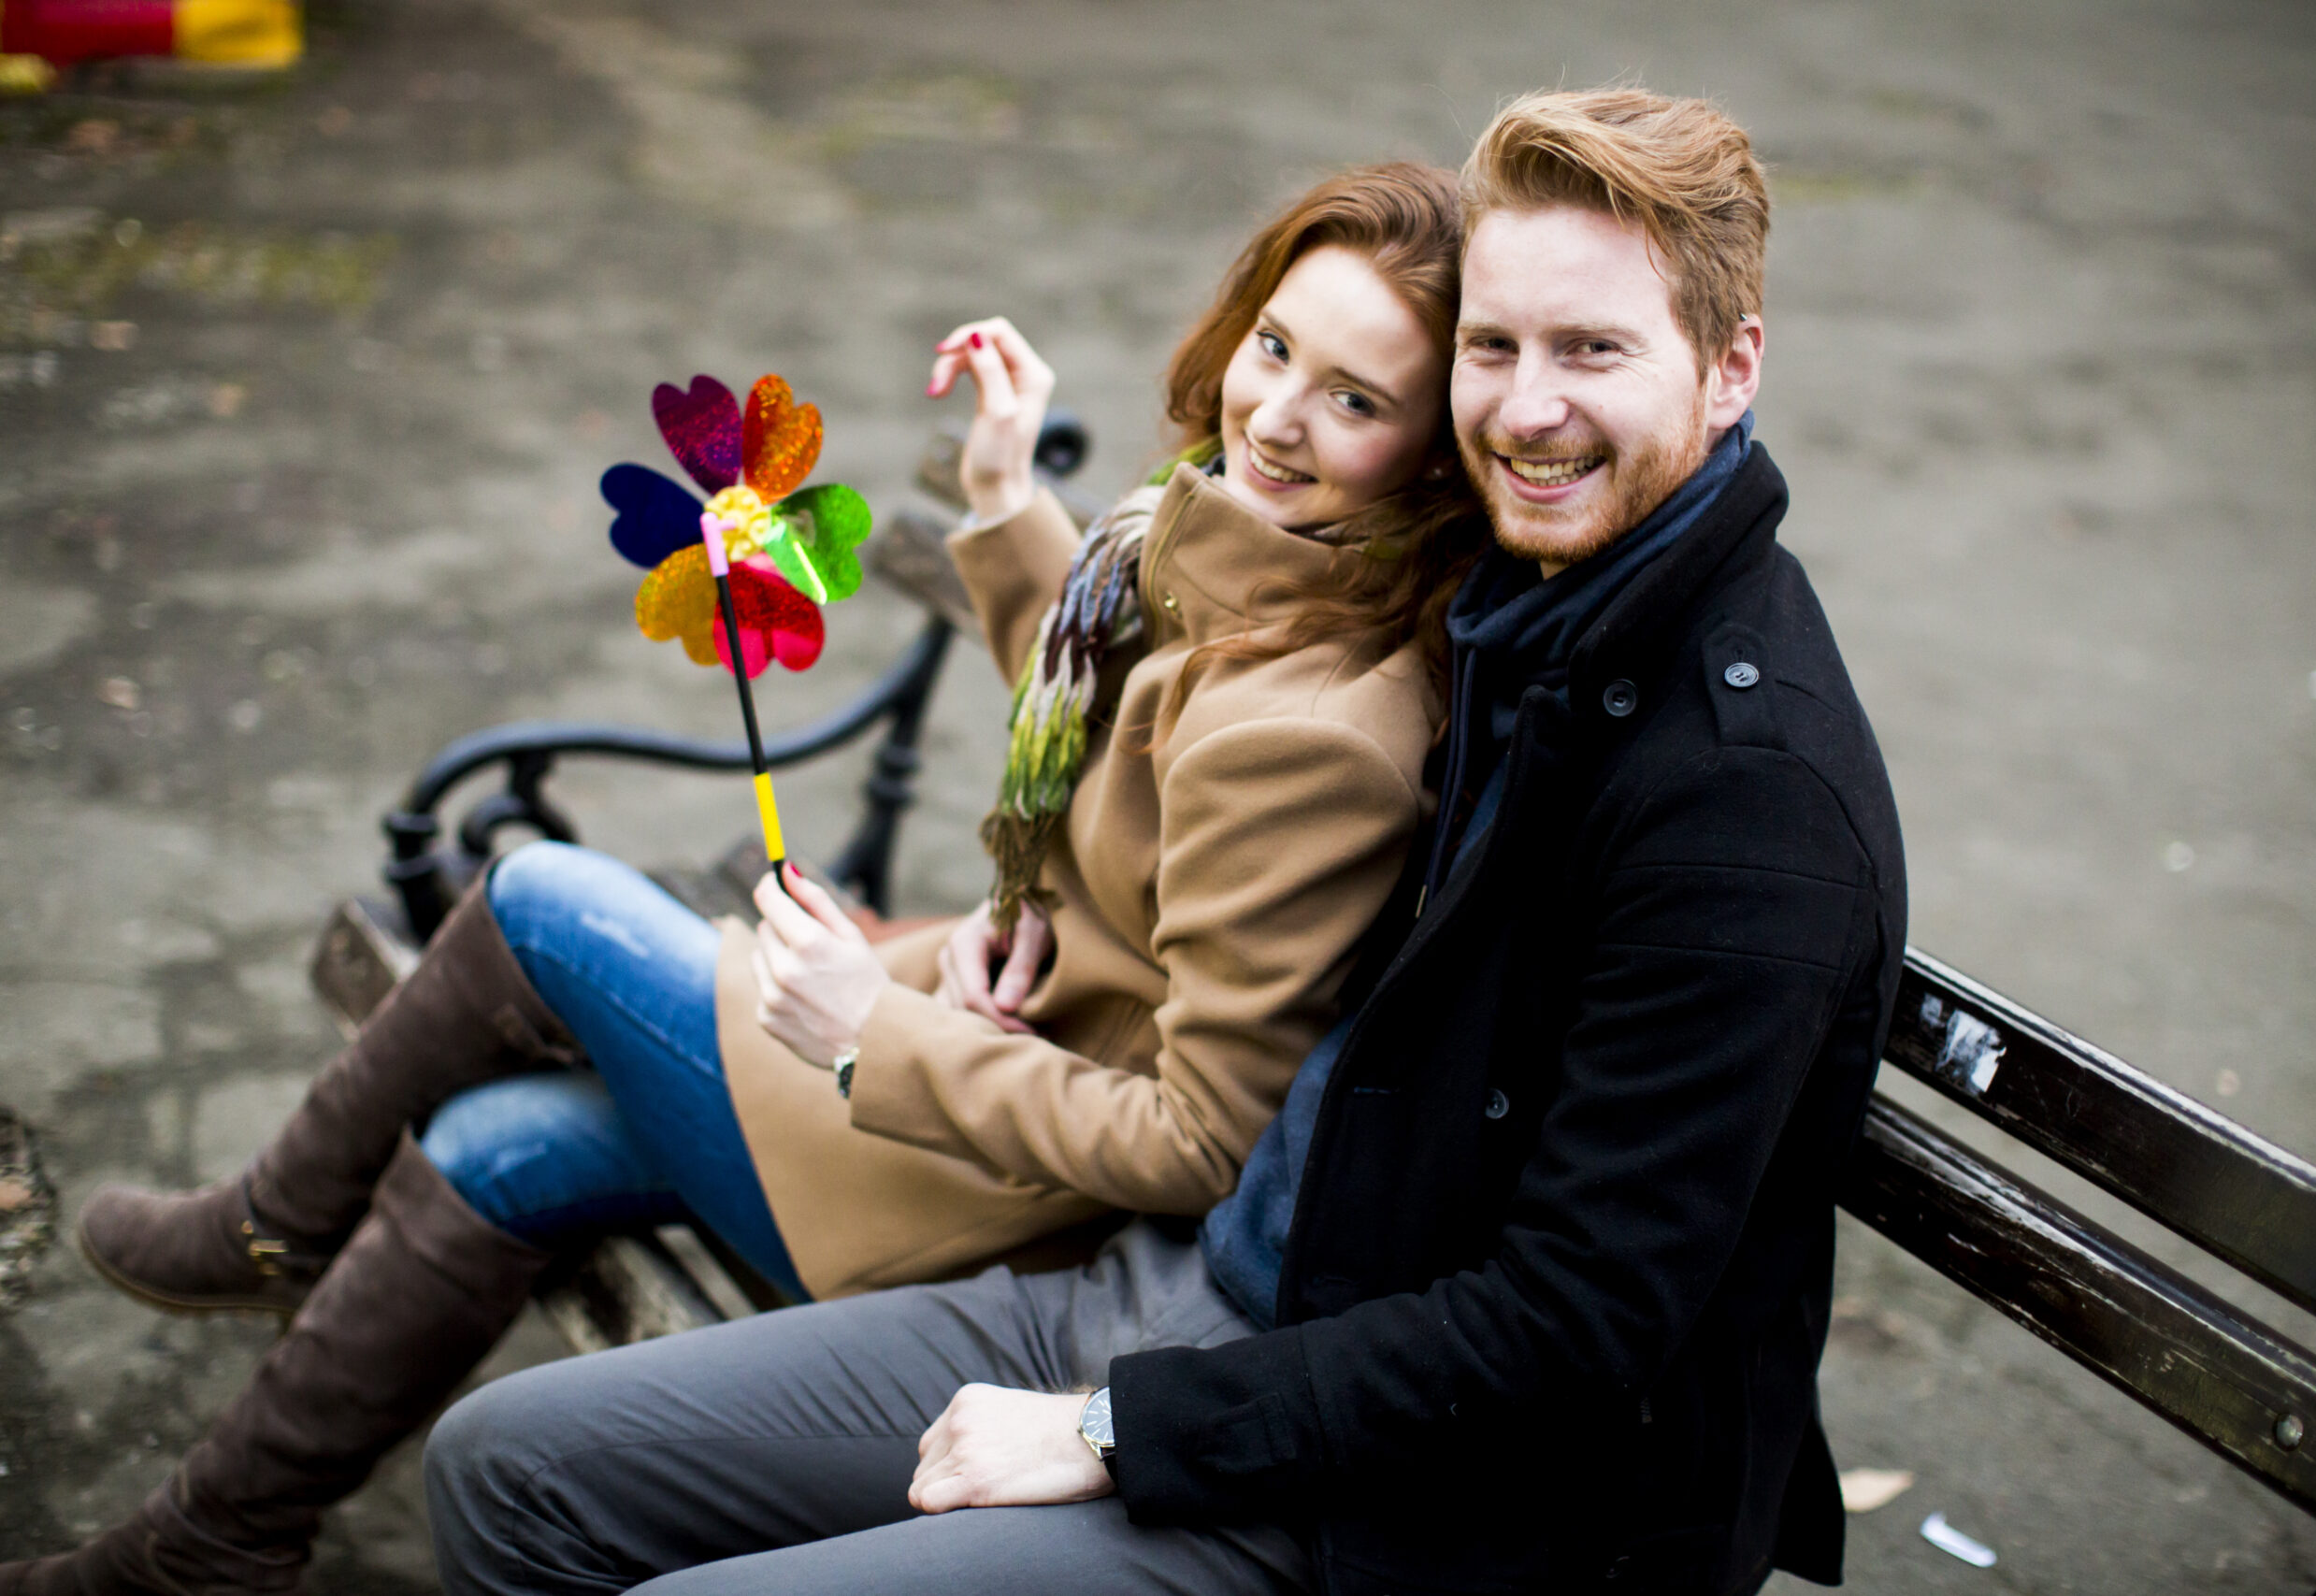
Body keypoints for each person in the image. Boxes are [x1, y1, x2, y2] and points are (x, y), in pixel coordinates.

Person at [423, 85, 1907, 1596]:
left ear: (1732, 371)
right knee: (504, 1463)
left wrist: (1126, 1426)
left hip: (1409, 1502)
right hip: (1195, 1289)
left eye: (1593, 349)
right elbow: (1166, 710)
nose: (1525, 408)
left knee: (543, 936)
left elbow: (1565, 1333)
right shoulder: (1528, 607)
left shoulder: (1746, 811)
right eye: (1493, 346)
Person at [0, 164, 1488, 1595]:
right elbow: (1111, 698)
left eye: (1353, 399)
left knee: (541, 909)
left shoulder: (1317, 732)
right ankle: (213, 1546)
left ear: (1434, 452)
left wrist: (872, 1037)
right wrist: (1001, 492)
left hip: (990, 1164)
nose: (1276, 414)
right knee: (501, 1140)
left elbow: (1203, 1141)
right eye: (1276, 345)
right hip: (971, 1039)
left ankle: (266, 1226)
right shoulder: (1219, 542)